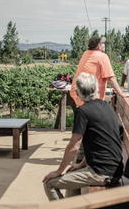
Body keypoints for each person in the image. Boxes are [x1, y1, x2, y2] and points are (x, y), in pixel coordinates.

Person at [43, 72, 123, 200]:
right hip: (114, 170)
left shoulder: (83, 111)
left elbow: (74, 147)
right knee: (73, 173)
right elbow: (98, 142)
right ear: (96, 88)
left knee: (49, 184)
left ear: (78, 92)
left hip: (101, 174)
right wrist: (81, 165)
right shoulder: (107, 106)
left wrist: (59, 171)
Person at [70, 36, 129, 106]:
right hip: (92, 97)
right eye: (102, 43)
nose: (103, 45)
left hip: (79, 94)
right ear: (99, 46)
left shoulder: (85, 53)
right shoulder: (102, 56)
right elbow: (110, 78)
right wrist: (121, 93)